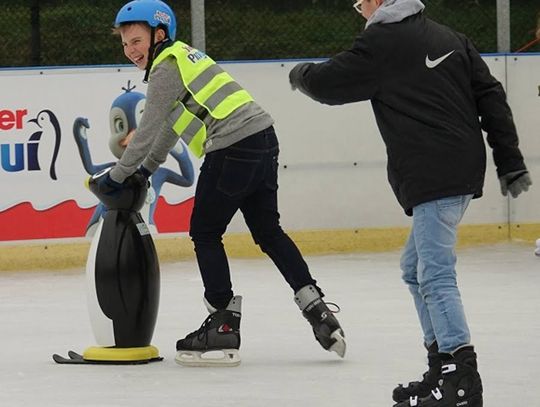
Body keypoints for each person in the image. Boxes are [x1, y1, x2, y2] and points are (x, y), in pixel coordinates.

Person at [289, 0, 531, 406]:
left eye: (360, 3)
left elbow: (330, 84)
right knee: (414, 269)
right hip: (458, 167)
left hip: (433, 171)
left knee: (434, 273)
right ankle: (441, 366)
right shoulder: (448, 36)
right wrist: (508, 160)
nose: (359, 11)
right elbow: (490, 93)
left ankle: (459, 375)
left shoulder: (381, 43)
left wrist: (301, 75)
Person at [95, 0, 346, 366]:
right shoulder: (185, 60)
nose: (130, 50)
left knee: (205, 231)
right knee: (268, 231)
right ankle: (317, 309)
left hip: (233, 145)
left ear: (159, 34)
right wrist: (145, 171)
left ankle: (223, 324)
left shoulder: (166, 66)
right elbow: (168, 129)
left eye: (136, 41)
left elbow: (147, 132)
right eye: (125, 44)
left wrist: (116, 178)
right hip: (263, 137)